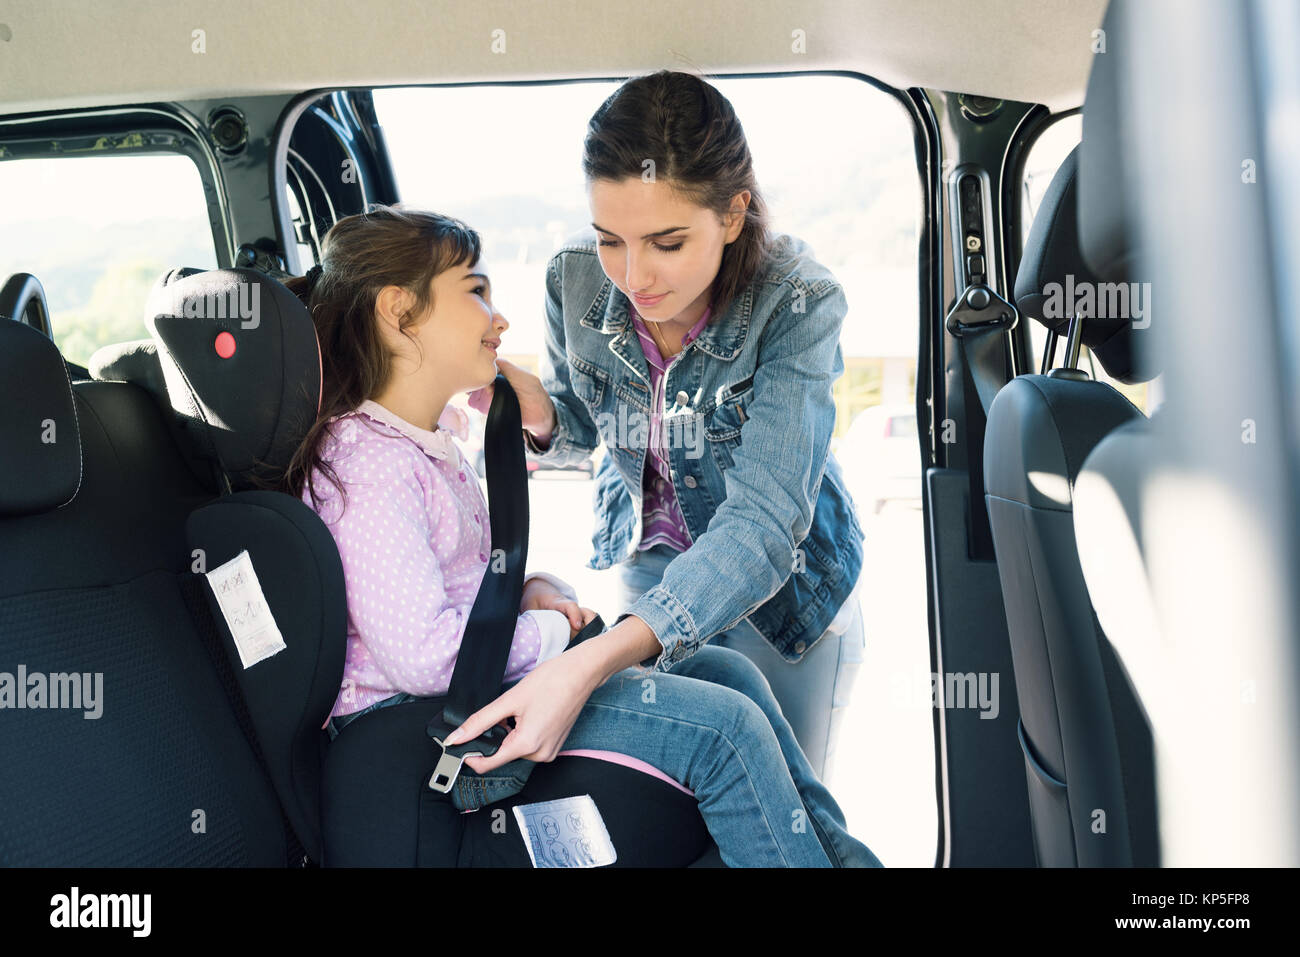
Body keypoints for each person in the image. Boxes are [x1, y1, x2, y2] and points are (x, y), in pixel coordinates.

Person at [280, 204, 880, 867]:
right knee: (726, 729)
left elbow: (453, 586)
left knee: (728, 674)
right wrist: (556, 639)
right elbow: (423, 653)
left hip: (472, 689)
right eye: (476, 291)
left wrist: (532, 589)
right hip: (427, 722)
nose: (499, 317)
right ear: (400, 312)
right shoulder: (371, 463)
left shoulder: (428, 447)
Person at [469, 70, 866, 781]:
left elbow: (766, 525)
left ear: (734, 213)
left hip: (787, 598)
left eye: (667, 242)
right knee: (673, 798)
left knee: (783, 807)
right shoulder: (573, 280)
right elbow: (583, 432)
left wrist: (597, 656)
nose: (633, 275)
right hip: (651, 573)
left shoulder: (799, 301)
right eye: (610, 240)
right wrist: (540, 412)